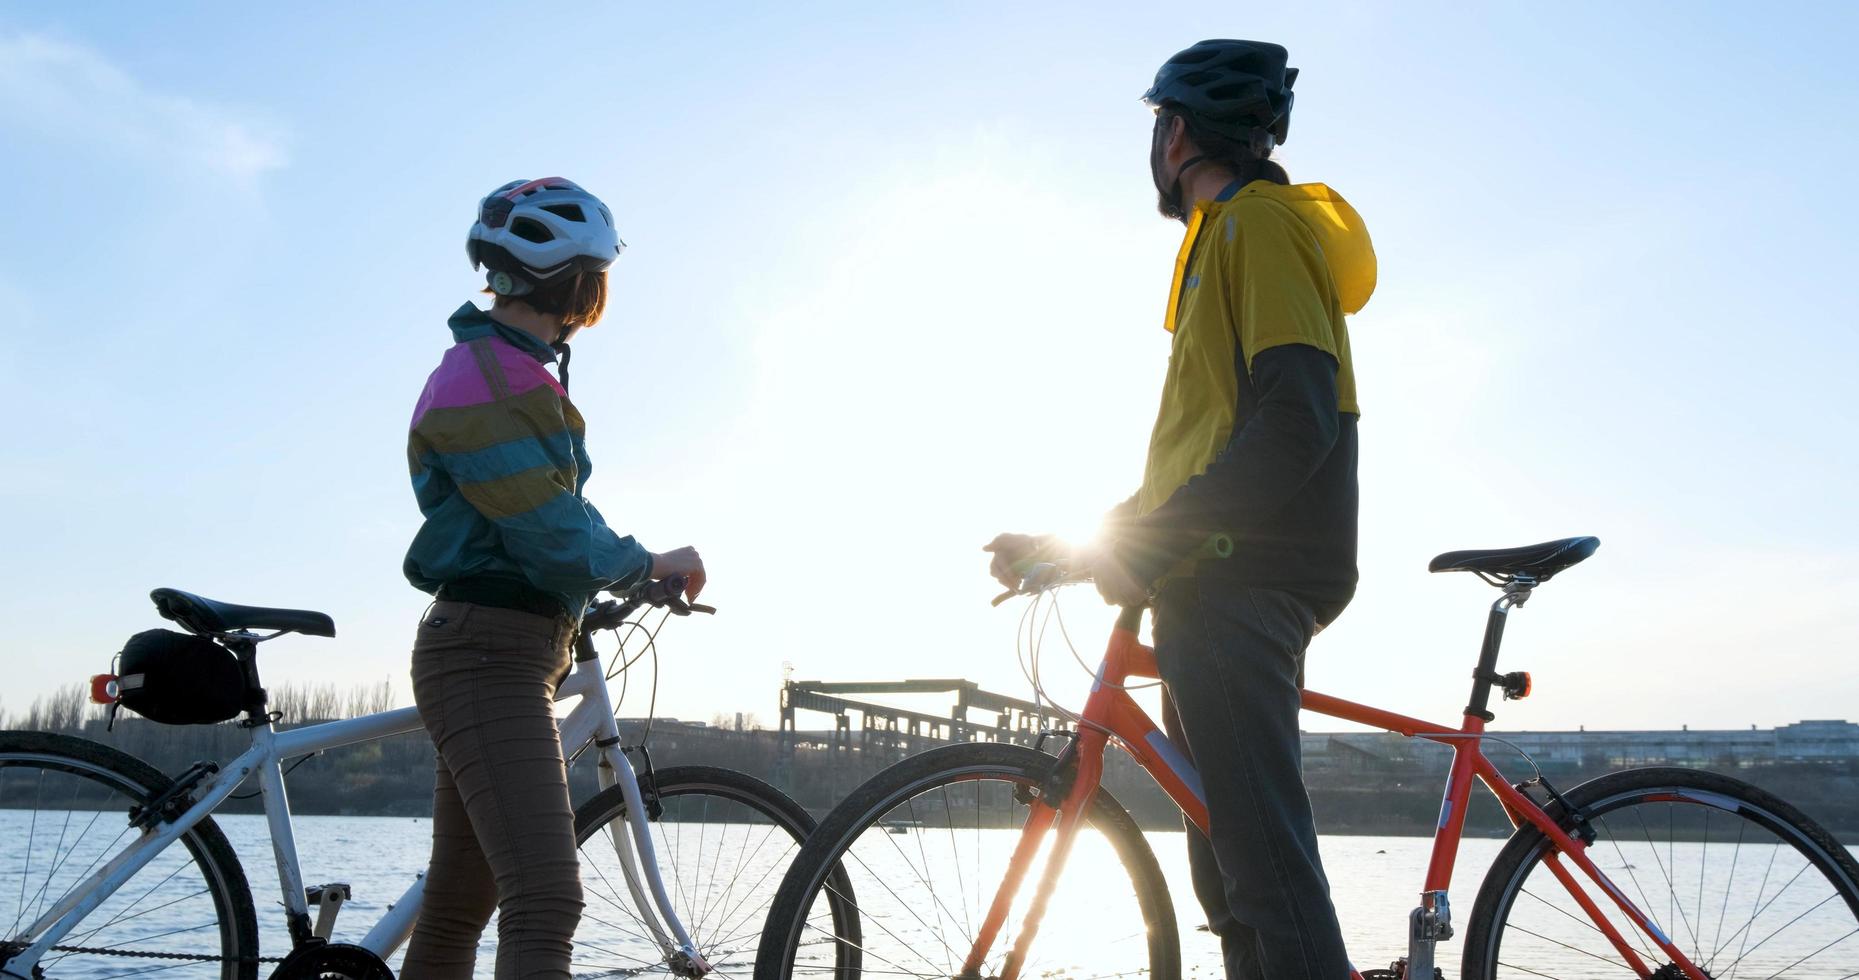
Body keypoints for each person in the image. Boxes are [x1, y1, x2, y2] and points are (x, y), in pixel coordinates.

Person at [986, 40, 1375, 980]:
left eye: (1156, 123)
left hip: (1244, 581)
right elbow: (1197, 463)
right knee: (1235, 891)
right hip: (1212, 576)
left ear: (1175, 132)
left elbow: (1296, 421)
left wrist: (1157, 548)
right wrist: (1077, 547)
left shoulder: (1259, 226)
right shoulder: (1219, 244)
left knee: (1268, 880)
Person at [400, 176, 706, 979]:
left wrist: (620, 568)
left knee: (458, 910)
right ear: (577, 281)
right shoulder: (490, 377)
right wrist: (645, 562)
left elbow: (545, 509)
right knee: (545, 897)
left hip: (504, 648)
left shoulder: (506, 370)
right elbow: (547, 529)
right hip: (488, 657)